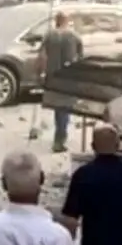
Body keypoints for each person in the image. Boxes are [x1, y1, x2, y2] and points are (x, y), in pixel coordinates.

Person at [39, 12, 82, 153]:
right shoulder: (74, 36)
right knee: (64, 108)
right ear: (66, 21)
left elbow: (42, 56)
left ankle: (59, 137)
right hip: (69, 77)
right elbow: (81, 58)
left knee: (59, 109)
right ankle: (59, 140)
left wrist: (42, 73)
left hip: (53, 77)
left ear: (56, 21)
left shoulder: (49, 35)